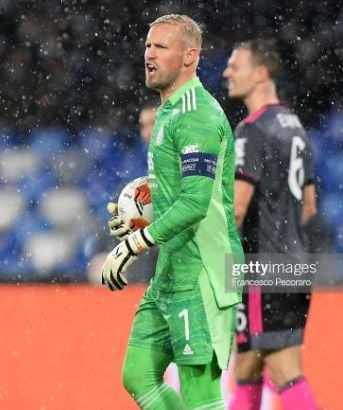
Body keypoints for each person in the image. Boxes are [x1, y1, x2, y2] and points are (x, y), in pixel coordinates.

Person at [101, 14, 242, 409]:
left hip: (205, 271)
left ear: (189, 56)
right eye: (148, 45)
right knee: (138, 374)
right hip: (173, 267)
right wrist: (138, 218)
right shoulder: (168, 111)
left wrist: (135, 244)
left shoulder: (198, 115)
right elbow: (176, 190)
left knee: (202, 396)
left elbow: (196, 203)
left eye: (161, 47)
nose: (149, 54)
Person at [223, 39, 319, 410]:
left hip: (261, 267)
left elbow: (236, 210)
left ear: (261, 73)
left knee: (285, 372)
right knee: (246, 367)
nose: (227, 71)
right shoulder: (296, 127)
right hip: (294, 262)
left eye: (236, 65)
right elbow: (308, 207)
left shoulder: (252, 128)